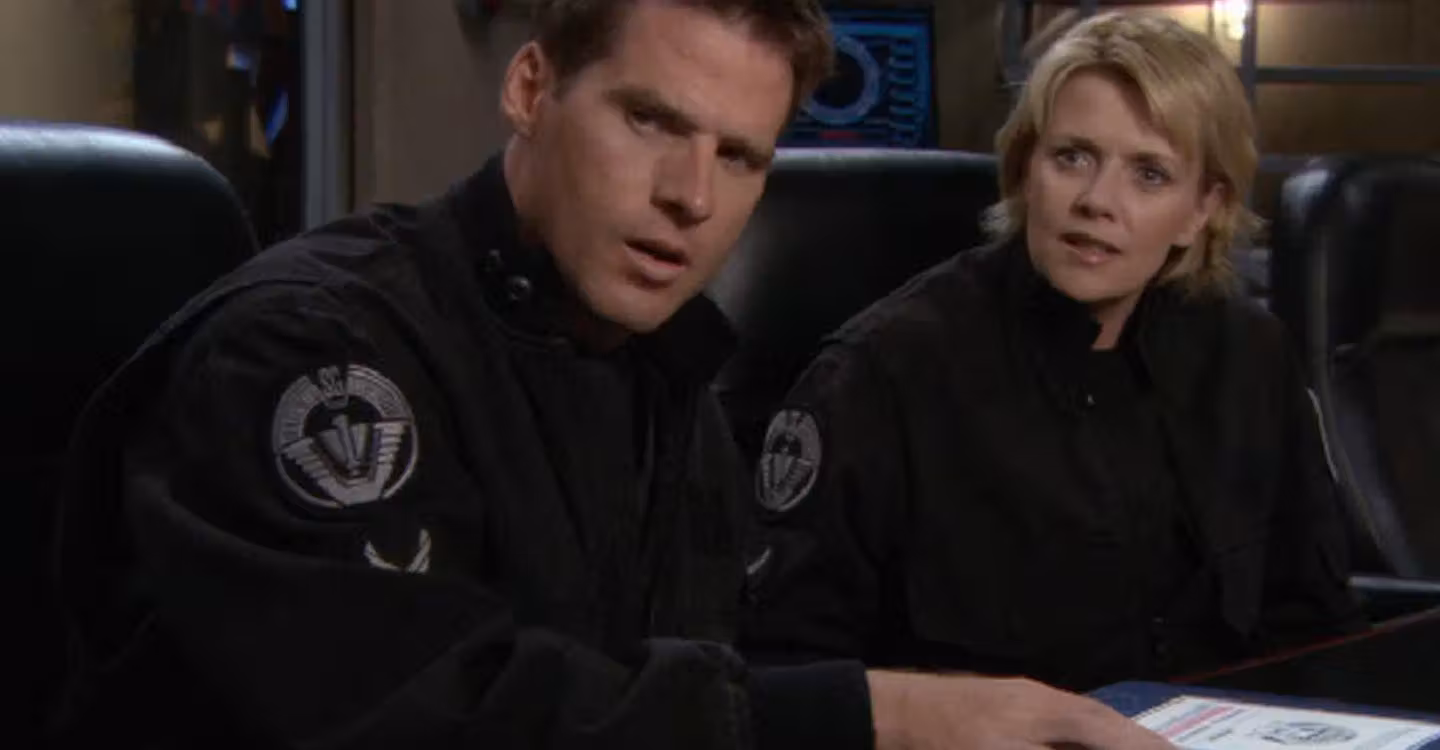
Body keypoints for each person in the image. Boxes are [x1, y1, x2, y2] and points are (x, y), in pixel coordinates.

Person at [52, 1, 1175, 749]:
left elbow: (674, 680)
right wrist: (874, 716)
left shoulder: (662, 366)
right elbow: (428, 713)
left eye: (740, 157)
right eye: (649, 121)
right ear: (530, 87)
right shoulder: (309, 355)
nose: (691, 196)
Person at [742, 11, 1366, 693]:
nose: (1098, 201)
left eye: (1149, 174)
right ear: (1024, 169)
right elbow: (787, 680)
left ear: (1202, 209)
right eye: (1072, 157)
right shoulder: (881, 375)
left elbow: (1315, 625)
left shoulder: (1250, 355)